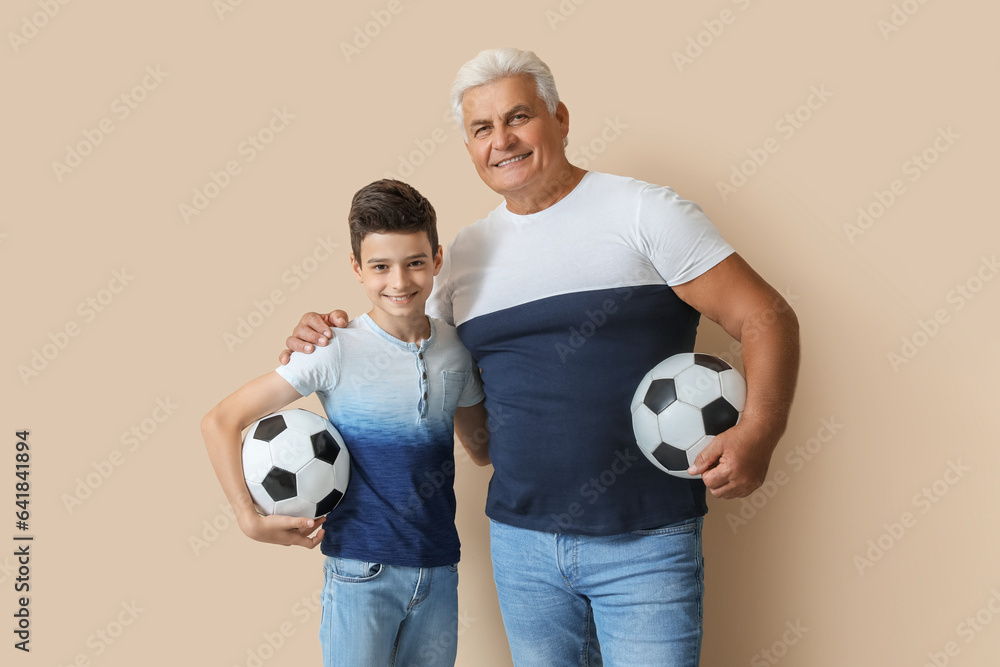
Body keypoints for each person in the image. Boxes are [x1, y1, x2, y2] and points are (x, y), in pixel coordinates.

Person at [280, 48, 800, 666]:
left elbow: (765, 316)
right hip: (521, 548)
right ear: (470, 146)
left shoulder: (644, 212)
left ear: (560, 118)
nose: (502, 141)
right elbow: (409, 351)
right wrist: (326, 330)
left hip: (647, 544)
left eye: (518, 117)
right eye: (481, 128)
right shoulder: (462, 258)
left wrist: (759, 433)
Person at [202, 179, 489, 667]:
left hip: (440, 568)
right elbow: (221, 421)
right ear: (357, 268)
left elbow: (482, 447)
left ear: (437, 260)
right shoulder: (332, 347)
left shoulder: (456, 350)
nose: (399, 281)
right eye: (380, 266)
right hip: (362, 570)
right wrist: (248, 518)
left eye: (414, 262)